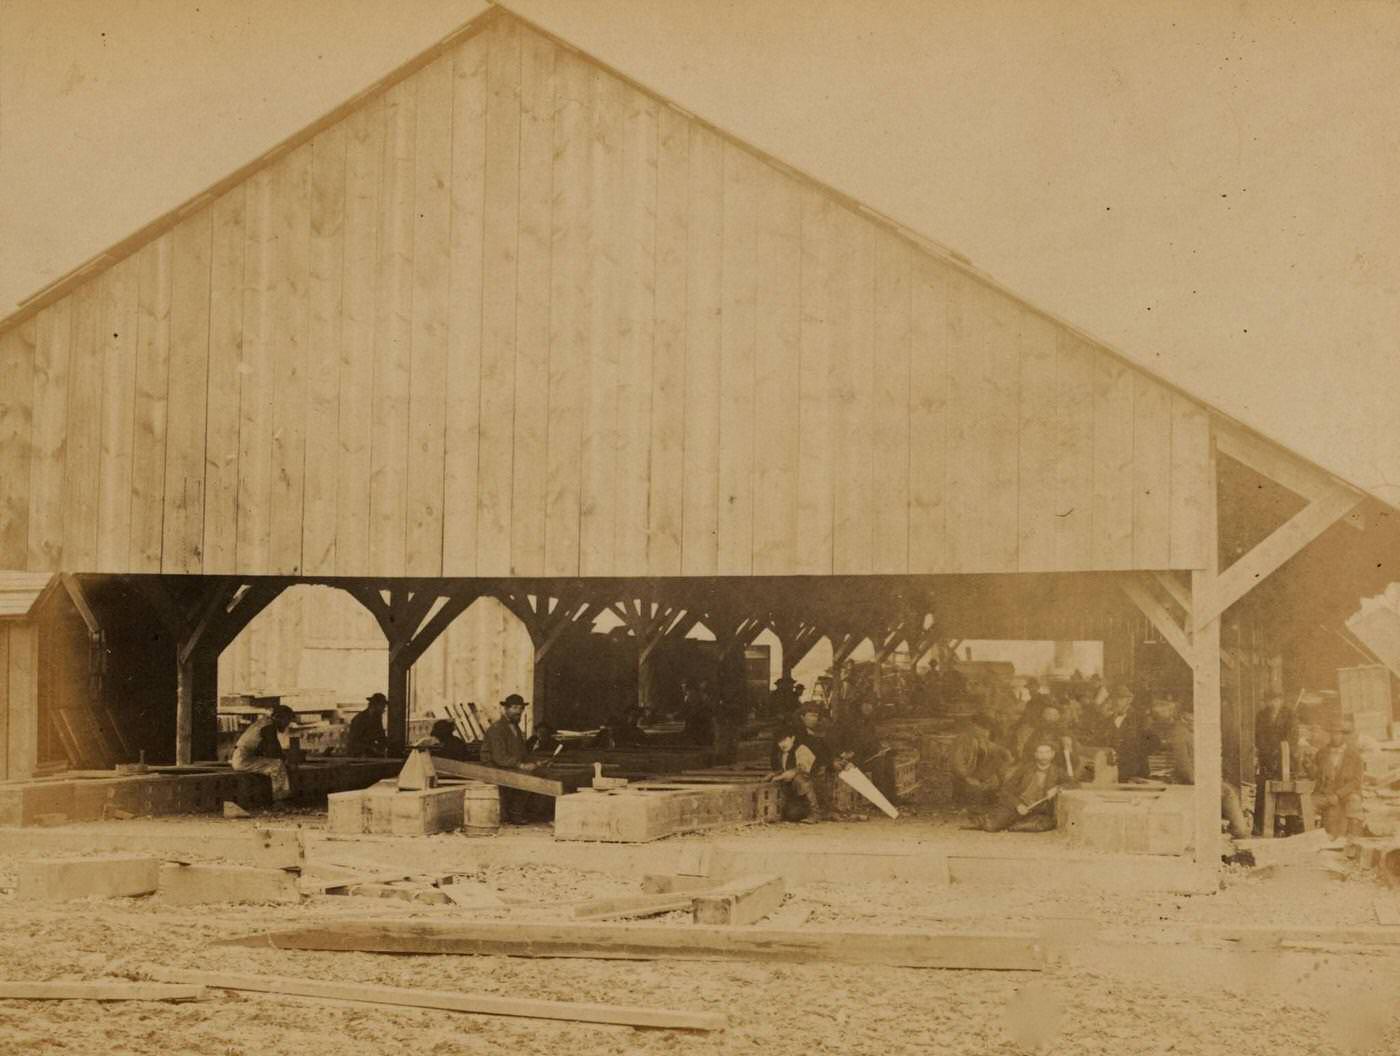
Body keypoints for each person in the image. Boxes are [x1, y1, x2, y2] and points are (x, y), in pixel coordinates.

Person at [1142, 694, 1250, 839]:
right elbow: (1183, 765)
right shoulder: (1180, 733)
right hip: (1187, 780)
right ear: (1185, 716)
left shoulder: (1189, 731)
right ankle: (1239, 831)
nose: (1194, 720)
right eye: (1191, 717)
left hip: (1198, 778)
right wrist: (1199, 781)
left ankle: (1235, 829)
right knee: (1228, 792)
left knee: (1230, 790)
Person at [980, 740, 1076, 832]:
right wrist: (1018, 805)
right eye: (1040, 753)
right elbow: (1005, 789)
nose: (1044, 756)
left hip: (1039, 810)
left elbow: (1074, 784)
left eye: (1047, 752)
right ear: (1036, 755)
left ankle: (1016, 825)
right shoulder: (1025, 769)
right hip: (1018, 806)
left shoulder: (1057, 771)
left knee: (1047, 823)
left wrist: (1057, 788)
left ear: (1052, 754)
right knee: (991, 826)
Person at [481, 693, 540, 824]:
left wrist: (535, 762)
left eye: (520, 708)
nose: (518, 711)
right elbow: (499, 757)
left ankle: (520, 812)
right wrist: (522, 766)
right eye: (514, 708)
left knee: (539, 773)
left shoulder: (515, 728)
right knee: (527, 778)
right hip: (494, 767)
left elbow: (521, 752)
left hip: (507, 765)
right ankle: (515, 814)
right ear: (505, 709)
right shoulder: (497, 729)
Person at [1252, 692, 1299, 836]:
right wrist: (1266, 753)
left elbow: (1291, 739)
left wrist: (1278, 754)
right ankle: (1260, 826)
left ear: (1281, 700)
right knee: (1263, 790)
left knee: (1287, 793)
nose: (1272, 704)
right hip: (1266, 758)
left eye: (1275, 700)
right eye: (1269, 701)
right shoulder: (1261, 715)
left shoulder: (1290, 715)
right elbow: (1258, 737)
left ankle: (1291, 828)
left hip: (1285, 759)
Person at [230, 704, 296, 802]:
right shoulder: (268, 726)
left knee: (277, 764)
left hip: (245, 758)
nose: (287, 724)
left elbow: (269, 749)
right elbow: (274, 750)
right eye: (287, 720)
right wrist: (287, 762)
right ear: (278, 717)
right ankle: (281, 801)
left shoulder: (265, 723)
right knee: (277, 765)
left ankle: (275, 799)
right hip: (244, 760)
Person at [1312, 720, 1365, 838]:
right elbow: (1316, 776)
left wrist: (1338, 795)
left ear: (1343, 735)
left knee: (1354, 803)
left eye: (1338, 733)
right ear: (1329, 735)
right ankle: (1311, 840)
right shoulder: (1321, 753)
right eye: (1333, 733)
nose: (1335, 736)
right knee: (1308, 806)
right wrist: (1308, 766)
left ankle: (1354, 840)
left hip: (1347, 793)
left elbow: (1356, 781)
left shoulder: (1354, 755)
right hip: (1326, 794)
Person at [948, 715, 1013, 808]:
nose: (986, 732)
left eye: (987, 729)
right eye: (983, 728)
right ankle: (970, 796)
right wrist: (967, 778)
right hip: (964, 775)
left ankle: (997, 790)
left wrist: (1004, 751)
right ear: (974, 726)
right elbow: (956, 762)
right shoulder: (963, 739)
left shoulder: (980, 737)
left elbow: (991, 746)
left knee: (1001, 759)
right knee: (972, 797)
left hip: (977, 772)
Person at [767, 727, 822, 823]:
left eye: (785, 740)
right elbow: (785, 770)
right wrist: (774, 773)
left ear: (792, 738)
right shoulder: (783, 754)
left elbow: (799, 769)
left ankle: (815, 813)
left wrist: (778, 777)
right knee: (792, 815)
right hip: (796, 792)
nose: (782, 744)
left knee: (799, 778)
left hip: (813, 785)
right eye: (779, 742)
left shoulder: (801, 749)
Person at [346, 693, 389, 757]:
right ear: (375, 705)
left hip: (370, 753)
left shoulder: (377, 718)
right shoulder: (360, 719)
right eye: (382, 706)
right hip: (358, 755)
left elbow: (381, 736)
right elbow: (354, 741)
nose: (384, 709)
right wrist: (372, 748)